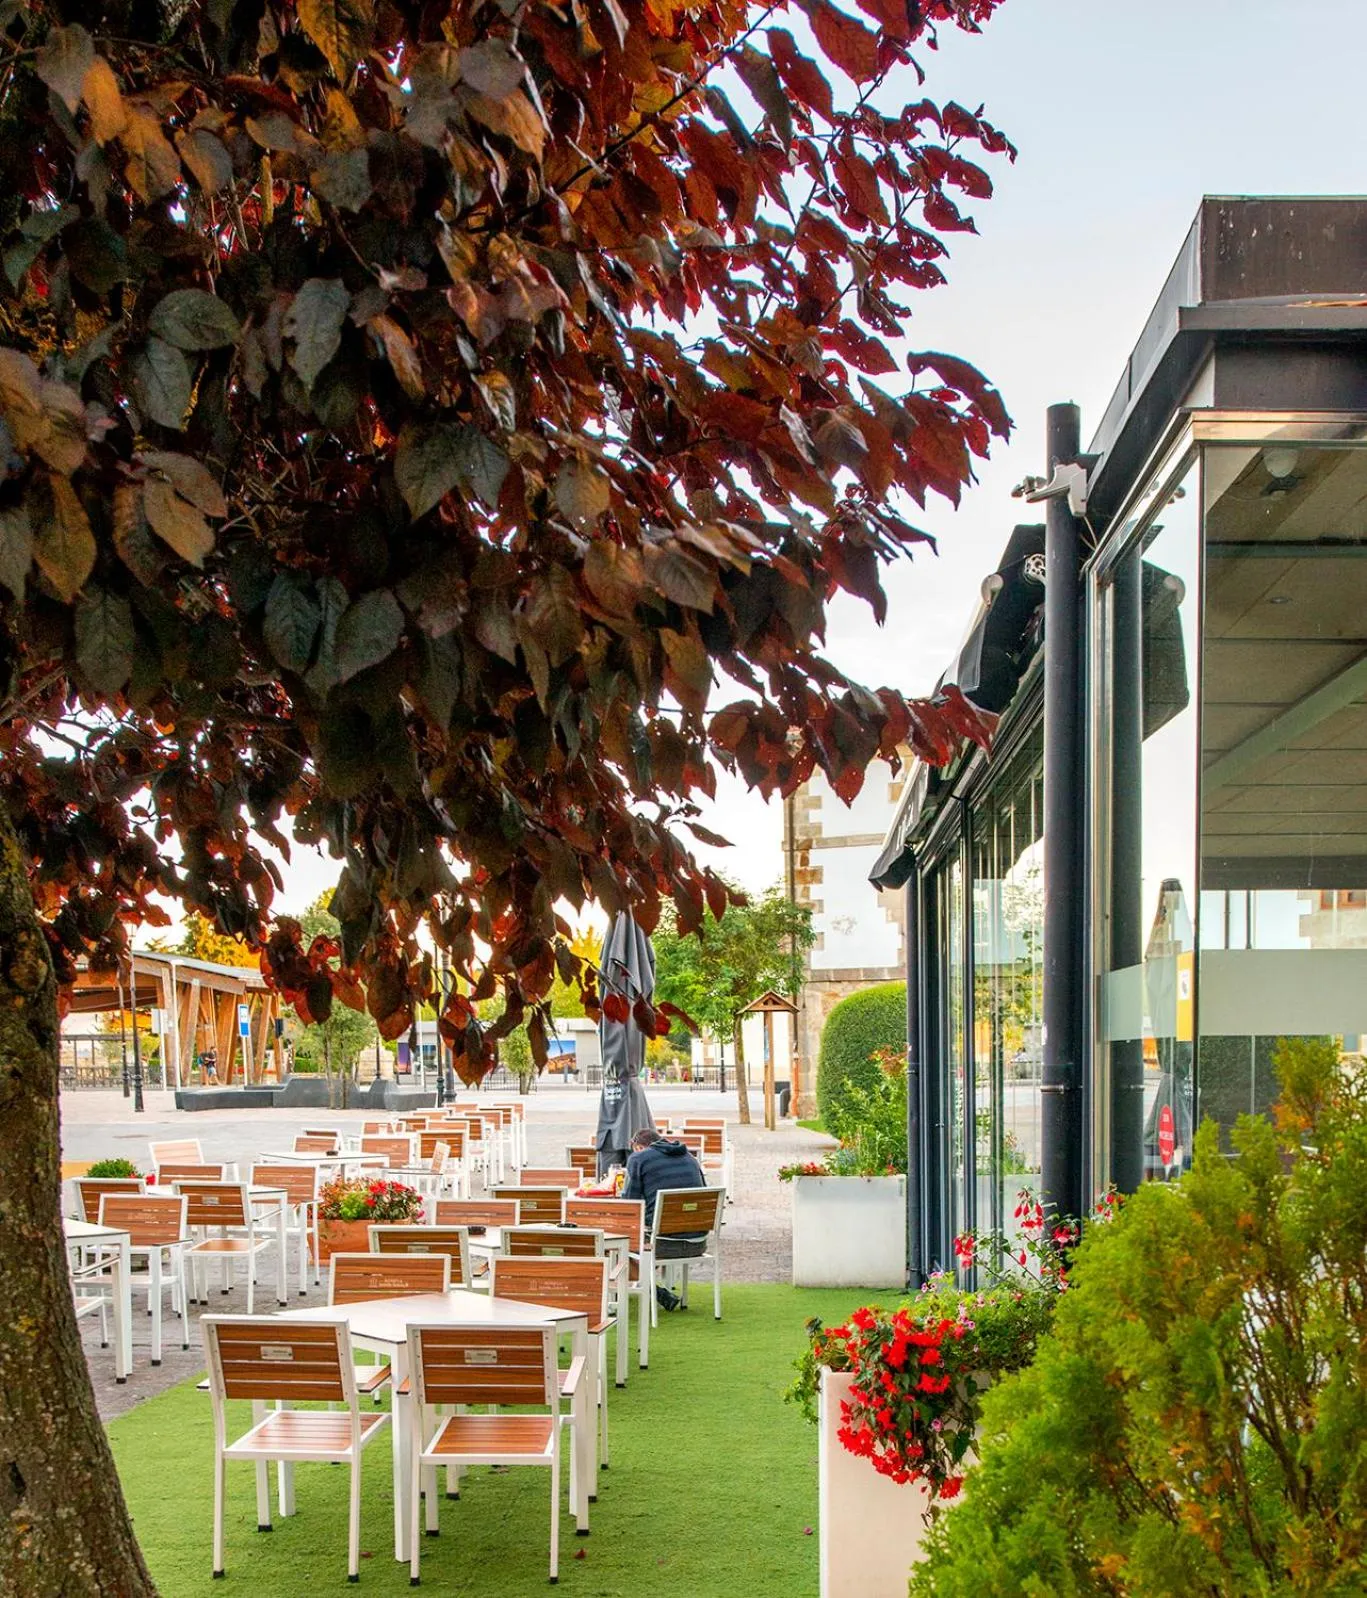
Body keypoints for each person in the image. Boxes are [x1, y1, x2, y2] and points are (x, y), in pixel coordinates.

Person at [622, 1128, 707, 1311]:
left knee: (614, 1243)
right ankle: (656, 1290)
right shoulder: (691, 1159)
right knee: (639, 1236)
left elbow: (630, 1206)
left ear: (638, 1147)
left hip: (662, 1245)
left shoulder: (638, 1159)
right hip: (698, 1243)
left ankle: (649, 1290)